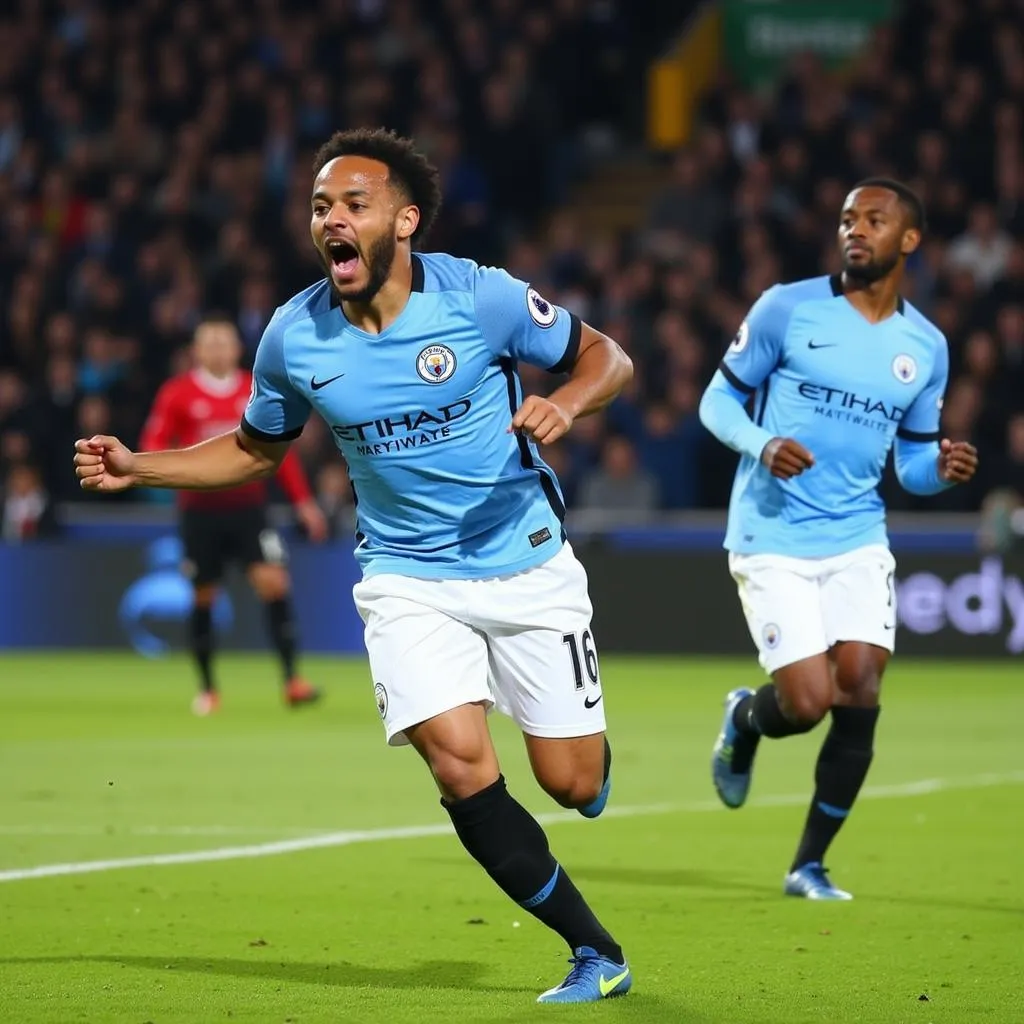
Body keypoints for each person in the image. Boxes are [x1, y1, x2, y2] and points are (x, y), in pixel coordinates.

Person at [75, 128, 634, 1004]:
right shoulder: (294, 336)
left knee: (574, 783)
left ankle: (586, 764)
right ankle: (595, 952)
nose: (331, 219)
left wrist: (563, 401)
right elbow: (258, 449)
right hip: (406, 576)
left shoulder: (480, 297)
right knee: (457, 766)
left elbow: (609, 356)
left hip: (525, 563)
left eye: (354, 204)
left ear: (404, 220)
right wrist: (141, 466)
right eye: (319, 207)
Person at [699, 178, 979, 900]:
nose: (856, 230)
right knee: (808, 701)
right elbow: (716, 399)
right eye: (849, 219)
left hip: (856, 534)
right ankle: (744, 719)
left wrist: (941, 470)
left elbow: (911, 466)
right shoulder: (787, 308)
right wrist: (761, 444)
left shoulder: (925, 346)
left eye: (875, 221)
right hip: (771, 533)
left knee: (860, 680)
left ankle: (808, 865)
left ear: (908, 240)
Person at [139, 315, 328, 715]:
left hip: (249, 510)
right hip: (200, 512)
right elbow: (153, 441)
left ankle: (293, 680)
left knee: (274, 584)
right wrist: (168, 472)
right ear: (196, 351)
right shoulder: (177, 394)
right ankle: (208, 689)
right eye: (209, 343)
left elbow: (281, 451)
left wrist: (303, 501)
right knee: (204, 593)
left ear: (237, 349)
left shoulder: (252, 387)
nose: (217, 350)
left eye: (224, 343)